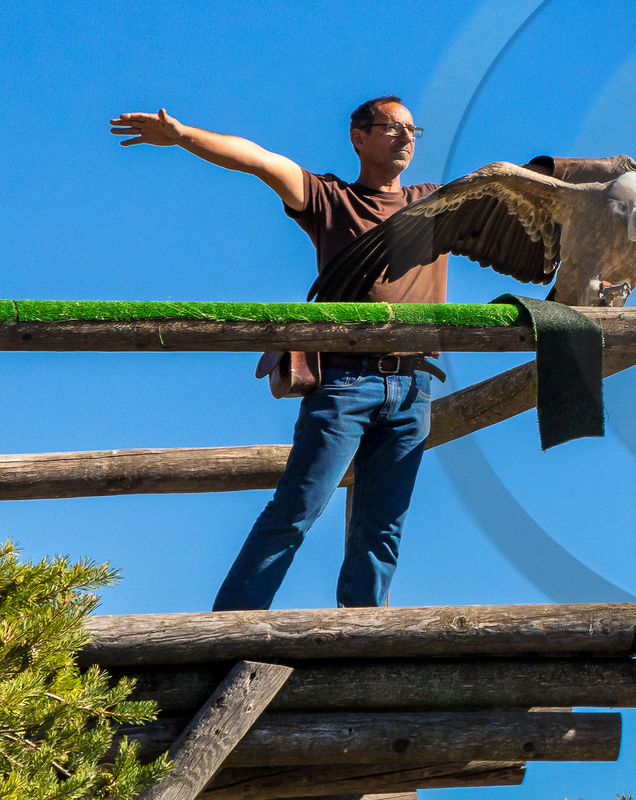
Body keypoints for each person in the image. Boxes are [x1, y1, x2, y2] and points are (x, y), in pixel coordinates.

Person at [110, 97, 445, 609]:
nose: (406, 137)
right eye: (391, 128)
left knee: (383, 525)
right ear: (358, 137)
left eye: (412, 129)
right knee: (298, 508)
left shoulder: (438, 205)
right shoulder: (331, 199)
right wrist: (181, 135)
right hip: (345, 384)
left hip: (414, 387)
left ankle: (362, 636)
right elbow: (259, 159)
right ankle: (232, 626)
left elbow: (532, 212)